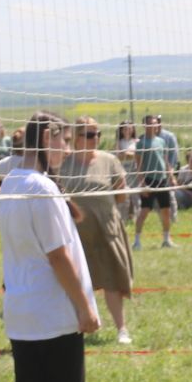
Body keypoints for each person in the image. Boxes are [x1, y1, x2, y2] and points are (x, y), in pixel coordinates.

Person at [0, 111, 101, 382]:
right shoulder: (40, 187)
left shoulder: (11, 183)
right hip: (52, 313)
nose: (68, 149)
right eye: (64, 141)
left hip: (24, 309)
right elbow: (59, 256)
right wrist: (85, 307)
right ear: (47, 140)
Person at [62, 118, 135, 343]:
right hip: (76, 233)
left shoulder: (110, 160)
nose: (95, 139)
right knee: (77, 282)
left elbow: (121, 195)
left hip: (107, 229)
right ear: (76, 137)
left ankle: (121, 329)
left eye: (97, 134)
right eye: (89, 135)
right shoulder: (63, 164)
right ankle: (78, 325)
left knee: (112, 280)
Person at [131, 114, 178, 250]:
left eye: (155, 123)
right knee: (144, 211)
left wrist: (171, 176)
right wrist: (142, 184)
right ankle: (137, 241)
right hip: (148, 180)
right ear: (145, 125)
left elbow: (165, 161)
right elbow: (138, 165)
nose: (154, 126)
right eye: (151, 123)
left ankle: (166, 239)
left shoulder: (161, 141)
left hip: (162, 180)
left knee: (166, 211)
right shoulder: (141, 143)